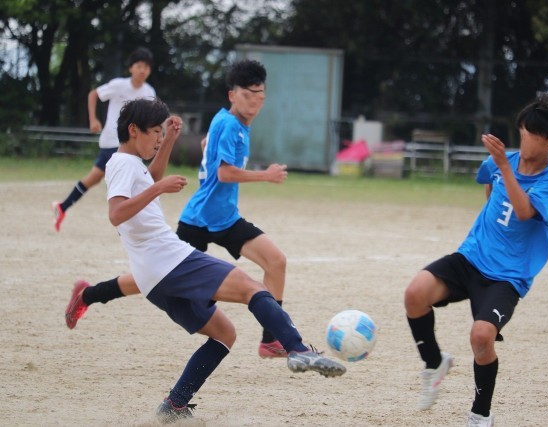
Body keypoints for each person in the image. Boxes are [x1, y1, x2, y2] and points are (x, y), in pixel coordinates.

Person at [102, 97, 345, 423]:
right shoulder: (121, 163)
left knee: (224, 334)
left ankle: (174, 405)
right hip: (169, 260)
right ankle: (297, 349)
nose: (158, 138)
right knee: (252, 288)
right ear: (133, 130)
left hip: (153, 276)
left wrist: (169, 142)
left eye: (162, 132)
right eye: (155, 132)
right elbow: (116, 213)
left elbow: (148, 178)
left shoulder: (131, 164)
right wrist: (159, 188)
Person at [65, 59, 292, 360]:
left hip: (224, 218)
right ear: (232, 95)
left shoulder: (235, 125)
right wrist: (267, 175)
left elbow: (206, 152)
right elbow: (224, 173)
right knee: (149, 278)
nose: (254, 101)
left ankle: (271, 340)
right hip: (199, 219)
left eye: (259, 95)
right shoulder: (227, 123)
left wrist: (189, 145)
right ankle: (89, 294)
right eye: (247, 94)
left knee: (275, 261)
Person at [403, 93, 548, 427]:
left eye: (531, 134)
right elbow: (489, 186)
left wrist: (504, 167)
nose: (523, 138)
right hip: (471, 257)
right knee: (414, 294)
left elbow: (524, 211)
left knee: (482, 338)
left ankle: (480, 415)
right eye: (522, 130)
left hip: (507, 276)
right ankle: (434, 363)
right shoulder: (499, 163)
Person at [52, 47, 155, 232]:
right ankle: (131, 221)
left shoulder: (149, 91)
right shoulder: (119, 85)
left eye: (146, 67)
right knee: (130, 180)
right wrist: (93, 119)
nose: (142, 70)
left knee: (96, 178)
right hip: (113, 141)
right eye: (139, 66)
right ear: (131, 68)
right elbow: (94, 94)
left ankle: (62, 207)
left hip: (133, 145)